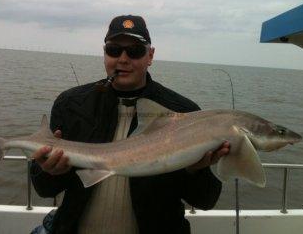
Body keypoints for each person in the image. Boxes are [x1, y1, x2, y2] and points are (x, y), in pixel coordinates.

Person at [30, 15, 230, 234]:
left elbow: (205, 200)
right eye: (114, 50)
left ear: (150, 55)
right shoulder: (71, 103)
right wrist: (49, 171)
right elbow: (44, 189)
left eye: (134, 51)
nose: (123, 59)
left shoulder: (182, 111)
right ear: (104, 53)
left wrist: (195, 170)